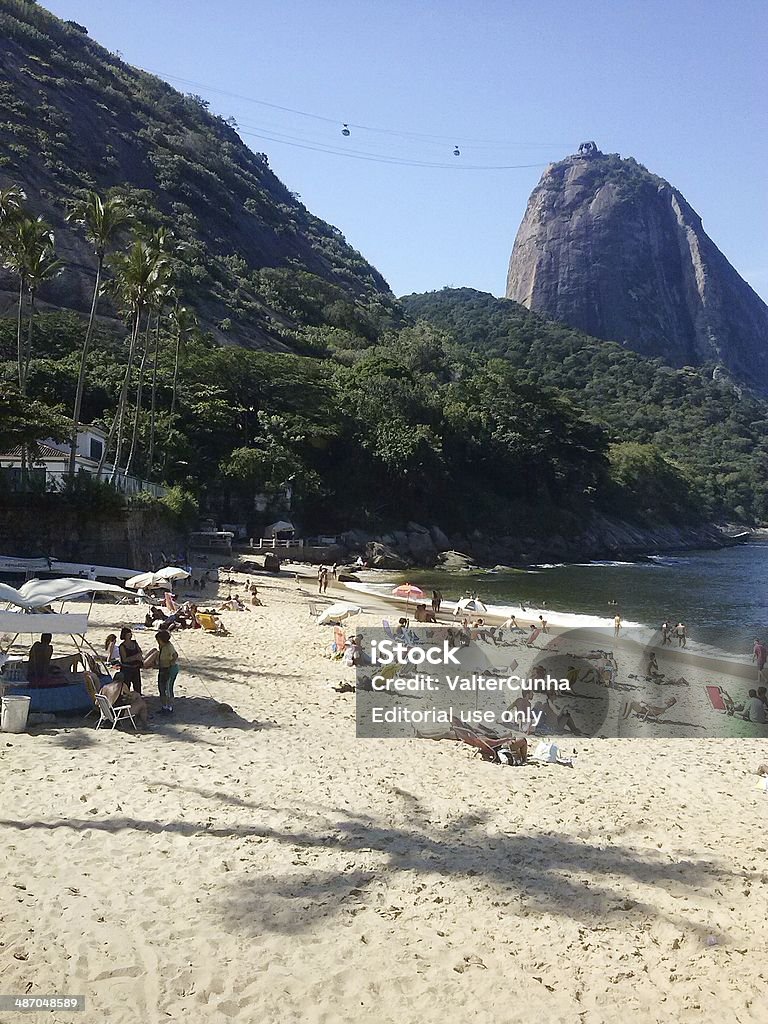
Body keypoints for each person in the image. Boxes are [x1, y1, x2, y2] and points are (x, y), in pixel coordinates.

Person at [155, 629, 179, 713]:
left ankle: (169, 707)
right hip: (163, 669)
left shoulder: (169, 647)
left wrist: (171, 663)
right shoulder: (162, 646)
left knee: (168, 688)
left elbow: (175, 655)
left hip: (170, 669)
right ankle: (164, 706)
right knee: (161, 687)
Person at [118, 627, 143, 693]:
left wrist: (139, 657)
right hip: (127, 669)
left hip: (136, 667)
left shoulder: (134, 643)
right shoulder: (122, 646)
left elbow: (140, 651)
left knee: (137, 686)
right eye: (128, 634)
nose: (130, 635)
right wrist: (135, 657)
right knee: (126, 686)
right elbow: (124, 659)